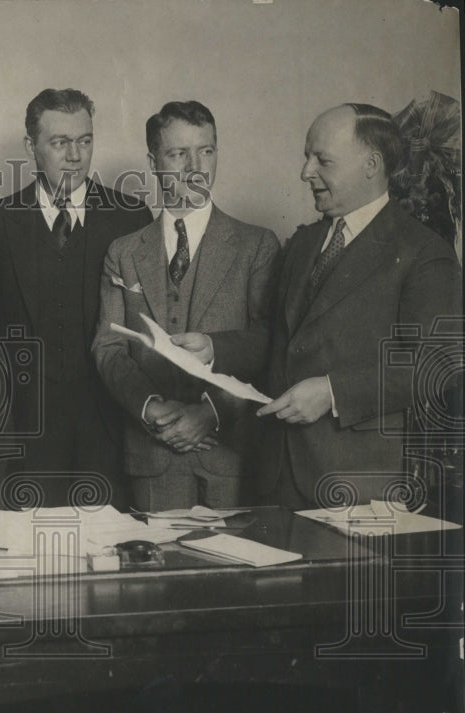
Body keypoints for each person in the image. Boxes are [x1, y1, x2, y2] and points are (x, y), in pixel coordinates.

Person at [256, 103, 461, 508]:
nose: (305, 172)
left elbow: (440, 366)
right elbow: (279, 340)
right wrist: (212, 347)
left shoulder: (423, 252)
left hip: (359, 484)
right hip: (276, 477)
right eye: (306, 157)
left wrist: (332, 392)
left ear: (371, 165)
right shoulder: (302, 244)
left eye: (323, 160)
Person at [93, 101, 280, 510]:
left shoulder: (257, 246)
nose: (196, 167)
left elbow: (269, 344)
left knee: (235, 570)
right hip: (151, 456)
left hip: (229, 453)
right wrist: (151, 408)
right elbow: (109, 348)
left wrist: (211, 412)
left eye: (206, 151)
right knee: (158, 574)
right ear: (154, 162)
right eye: (179, 154)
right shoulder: (124, 252)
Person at [0, 88, 152, 508]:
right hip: (27, 435)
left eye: (84, 141)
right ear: (32, 148)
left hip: (110, 427)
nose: (75, 155)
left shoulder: (131, 217)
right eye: (60, 143)